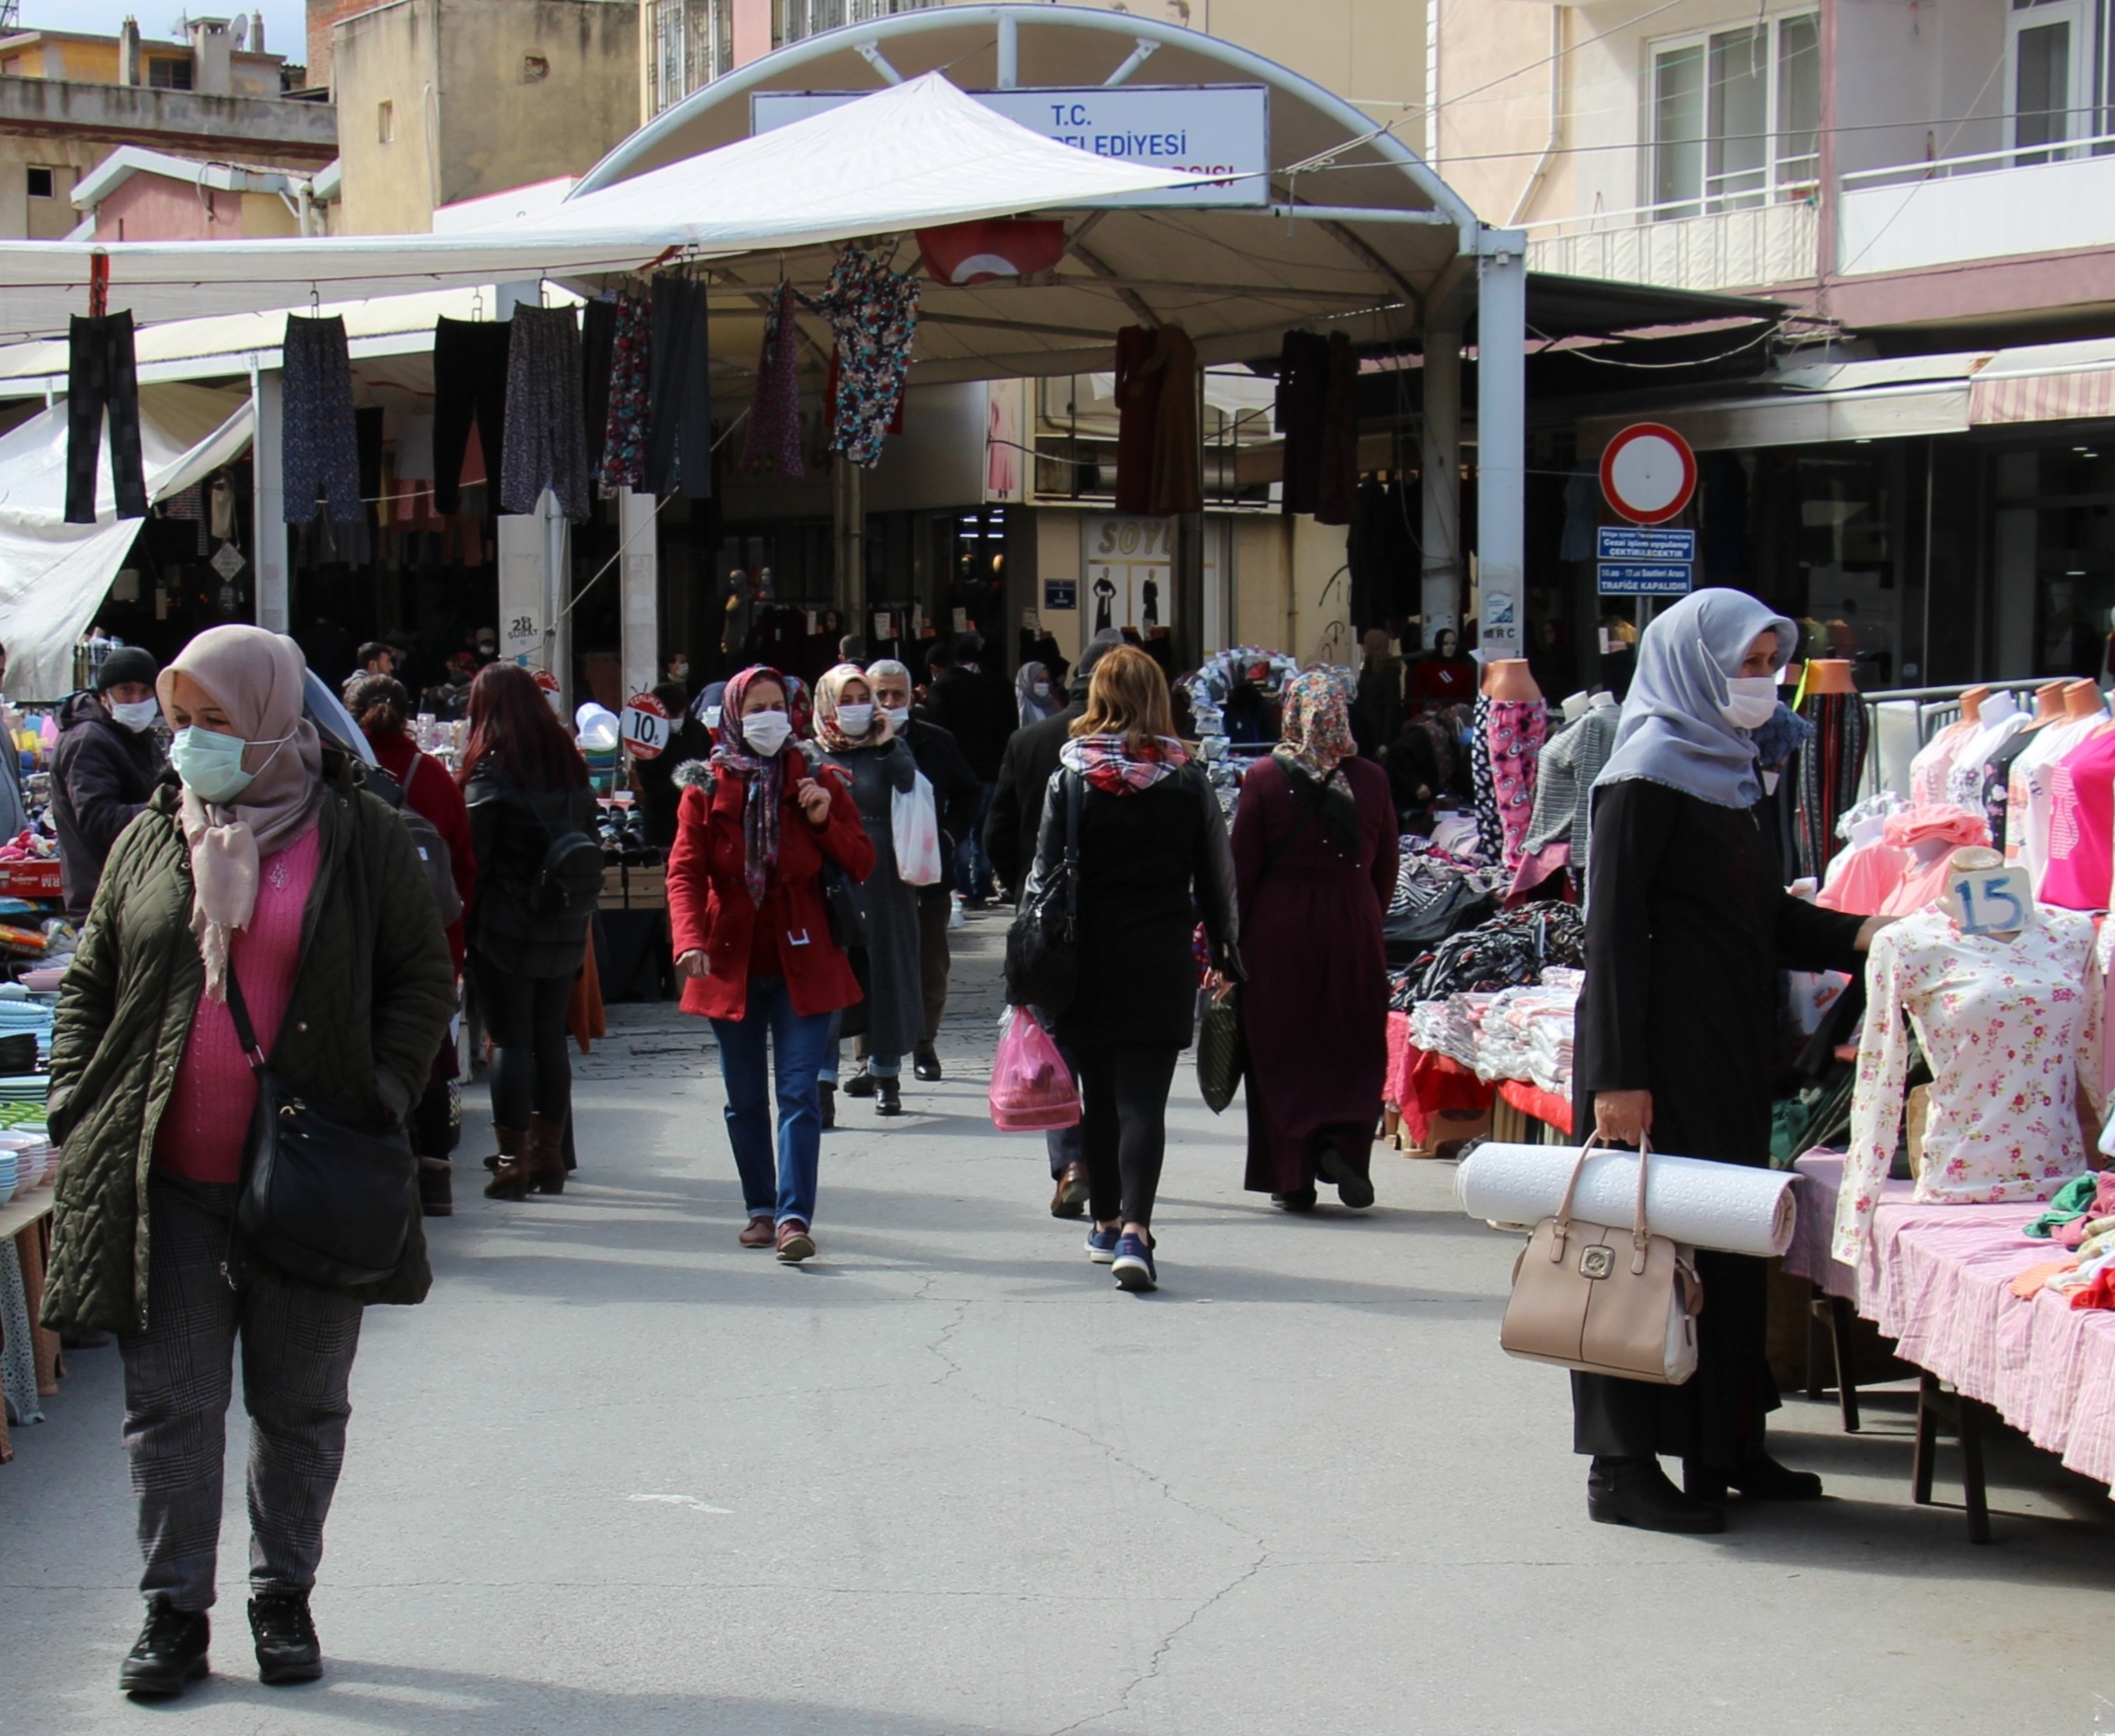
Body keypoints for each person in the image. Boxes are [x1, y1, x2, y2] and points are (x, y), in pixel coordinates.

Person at [42, 625, 453, 1698]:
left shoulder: (357, 834)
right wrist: (76, 1098)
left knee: (300, 1405)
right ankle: (173, 1611)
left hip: (309, 1182)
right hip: (166, 1180)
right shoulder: (152, 837)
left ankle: (284, 1595)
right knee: (169, 1405)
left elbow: (420, 977)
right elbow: (91, 981)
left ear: (273, 718)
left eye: (214, 724)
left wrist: (382, 1094)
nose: (189, 746)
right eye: (180, 724)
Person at [1574, 588, 1892, 1534]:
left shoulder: (1737, 771)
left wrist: (1868, 930)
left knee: (1727, 1236)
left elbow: (1764, 916)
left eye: (1767, 665)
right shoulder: (1642, 775)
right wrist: (1616, 1076)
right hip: (1656, 1055)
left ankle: (1726, 1440)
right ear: (1692, 665)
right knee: (1642, 1247)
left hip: (1726, 1047)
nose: (1758, 684)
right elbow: (1615, 935)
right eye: (1743, 666)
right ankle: (1621, 1467)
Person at [1022, 646, 1238, 1293]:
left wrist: (1027, 962)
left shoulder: (1071, 776)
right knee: (1143, 1100)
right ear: (1156, 699)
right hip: (1161, 955)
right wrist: (1226, 953)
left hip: (1085, 958)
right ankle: (1136, 1233)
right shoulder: (1186, 778)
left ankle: (1106, 1219)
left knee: (1099, 1098)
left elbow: (1041, 878)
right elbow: (1217, 879)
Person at [666, 665, 872, 1259]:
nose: (768, 717)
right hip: (729, 956)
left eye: (776, 705)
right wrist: (689, 939)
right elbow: (684, 871)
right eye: (754, 707)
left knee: (800, 1091)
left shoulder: (816, 777)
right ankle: (759, 1206)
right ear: (733, 715)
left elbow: (862, 861)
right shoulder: (705, 787)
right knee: (745, 1096)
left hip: (803, 953)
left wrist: (821, 820)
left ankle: (792, 1217)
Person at [1233, 671, 1398, 1212]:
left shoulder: (1262, 778)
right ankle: (1344, 1146)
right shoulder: (1373, 779)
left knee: (1283, 1047)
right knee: (1350, 1040)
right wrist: (1364, 910)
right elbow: (1387, 866)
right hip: (1353, 921)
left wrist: (1229, 941)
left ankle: (1293, 1174)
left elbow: (1242, 870)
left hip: (1279, 929)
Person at [985, 628, 1122, 1218]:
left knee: (1054, 1043)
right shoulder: (1140, 750)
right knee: (1111, 1048)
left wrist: (1023, 887)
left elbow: (997, 830)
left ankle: (1071, 1162)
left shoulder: (1031, 739)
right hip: (1118, 920)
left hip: (1043, 920)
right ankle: (1114, 1167)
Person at [459, 663, 598, 1201]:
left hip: (506, 925)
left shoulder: (494, 769)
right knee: (548, 1036)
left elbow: (476, 858)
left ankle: (512, 1161)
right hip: (563, 922)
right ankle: (549, 1156)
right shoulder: (567, 762)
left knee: (510, 1040)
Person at [347, 673, 477, 1216]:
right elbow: (465, 870)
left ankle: (378, 1176)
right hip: (432, 944)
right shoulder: (436, 779)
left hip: (361, 943)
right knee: (433, 1052)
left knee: (365, 1049)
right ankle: (437, 1173)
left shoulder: (338, 777)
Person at [812, 664, 924, 1114]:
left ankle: (885, 1074)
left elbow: (908, 781)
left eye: (864, 698)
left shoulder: (890, 749)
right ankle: (822, 1081)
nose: (857, 708)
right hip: (830, 875)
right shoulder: (809, 753)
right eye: (847, 699)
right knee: (829, 973)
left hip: (884, 874)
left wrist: (885, 742)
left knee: (887, 972)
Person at [869, 657, 980, 1082]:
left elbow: (969, 792)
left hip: (927, 875)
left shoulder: (936, 741)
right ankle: (872, 1055)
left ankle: (923, 1044)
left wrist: (950, 834)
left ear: (912, 696)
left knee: (929, 966)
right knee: (873, 965)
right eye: (881, 694)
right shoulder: (853, 743)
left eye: (897, 694)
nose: (889, 701)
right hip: (874, 875)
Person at [51, 644, 164, 923]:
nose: (137, 700)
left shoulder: (135, 736)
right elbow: (98, 818)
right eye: (126, 690)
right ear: (105, 696)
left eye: (145, 691)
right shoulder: (88, 740)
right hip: (103, 899)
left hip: (134, 893)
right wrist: (171, 807)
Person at [924, 633, 1015, 907]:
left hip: (957, 773)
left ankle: (962, 884)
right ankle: (982, 883)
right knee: (983, 833)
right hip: (989, 769)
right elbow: (1005, 728)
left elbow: (938, 732)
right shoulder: (993, 685)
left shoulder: (942, 689)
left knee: (959, 830)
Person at [632, 680, 697, 851]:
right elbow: (648, 780)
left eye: (679, 715)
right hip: (659, 821)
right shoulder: (647, 737)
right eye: (671, 715)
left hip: (694, 815)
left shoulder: (697, 730)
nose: (675, 720)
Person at [1351, 628, 1403, 758]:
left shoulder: (1388, 671)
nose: (1364, 647)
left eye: (1366, 643)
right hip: (1366, 731)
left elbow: (1391, 708)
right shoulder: (1369, 667)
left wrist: (1385, 741)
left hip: (1379, 732)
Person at [1408, 628, 1476, 708]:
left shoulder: (1464, 670)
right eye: (1445, 644)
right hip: (1432, 716)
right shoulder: (1425, 667)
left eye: (1453, 644)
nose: (1450, 647)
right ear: (1439, 644)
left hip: (1457, 716)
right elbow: (1417, 697)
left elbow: (1469, 701)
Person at [1017, 658, 1063, 728]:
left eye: (1046, 681)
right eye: (1040, 680)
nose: (1044, 684)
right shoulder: (1017, 703)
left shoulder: (1052, 704)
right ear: (1027, 681)